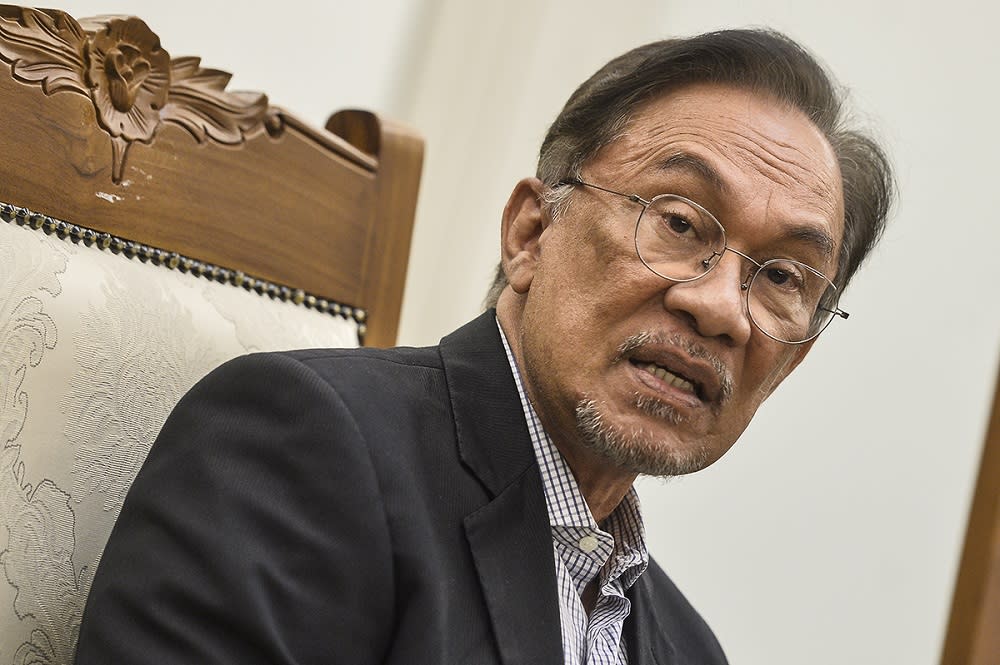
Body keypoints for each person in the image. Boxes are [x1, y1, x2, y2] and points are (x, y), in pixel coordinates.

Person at [74, 28, 893, 665]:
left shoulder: (689, 647)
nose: (722, 308)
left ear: (792, 361)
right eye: (678, 223)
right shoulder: (304, 446)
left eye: (783, 276)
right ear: (532, 233)